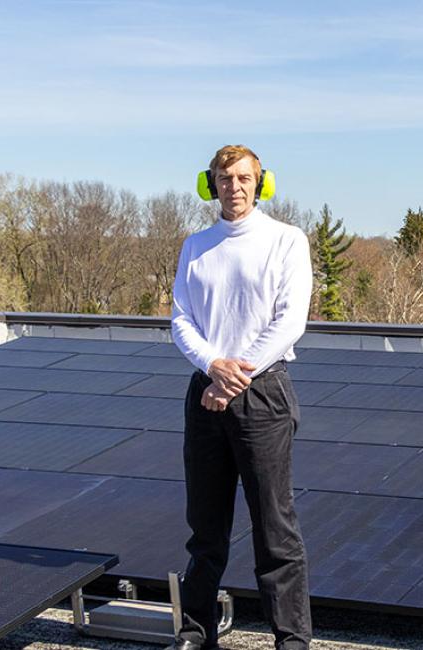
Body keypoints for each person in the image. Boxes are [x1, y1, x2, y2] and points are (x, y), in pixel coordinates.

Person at [168, 145, 313, 650]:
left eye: (244, 178)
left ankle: (291, 640)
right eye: (224, 178)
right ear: (209, 184)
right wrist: (212, 367)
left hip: (262, 394)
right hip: (204, 395)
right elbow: (180, 320)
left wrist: (232, 375)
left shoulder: (286, 241)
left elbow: (290, 320)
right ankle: (196, 632)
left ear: (262, 183)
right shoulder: (195, 245)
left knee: (275, 527)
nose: (234, 187)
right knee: (205, 528)